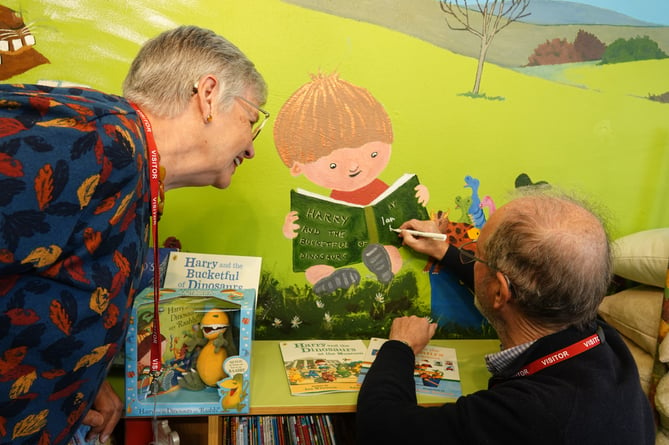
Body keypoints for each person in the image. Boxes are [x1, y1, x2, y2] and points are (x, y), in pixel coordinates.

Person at [0, 25, 268, 445]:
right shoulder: (89, 142)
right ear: (209, 95)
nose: (252, 147)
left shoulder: (133, 165)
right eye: (252, 119)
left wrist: (83, 375)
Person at [356, 189, 655, 444]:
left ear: (500, 291)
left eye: (475, 253)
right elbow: (522, 289)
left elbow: (381, 428)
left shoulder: (529, 415)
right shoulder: (602, 342)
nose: (470, 257)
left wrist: (399, 347)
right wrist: (445, 250)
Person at [273, 72, 428, 294]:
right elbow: (304, 236)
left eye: (373, 154)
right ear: (297, 166)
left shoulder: (383, 190)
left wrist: (419, 195)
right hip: (339, 250)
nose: (355, 167)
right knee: (314, 266)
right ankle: (331, 278)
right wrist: (291, 228)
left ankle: (384, 270)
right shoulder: (326, 202)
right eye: (333, 165)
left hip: (379, 245)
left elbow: (406, 208)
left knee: (388, 252)